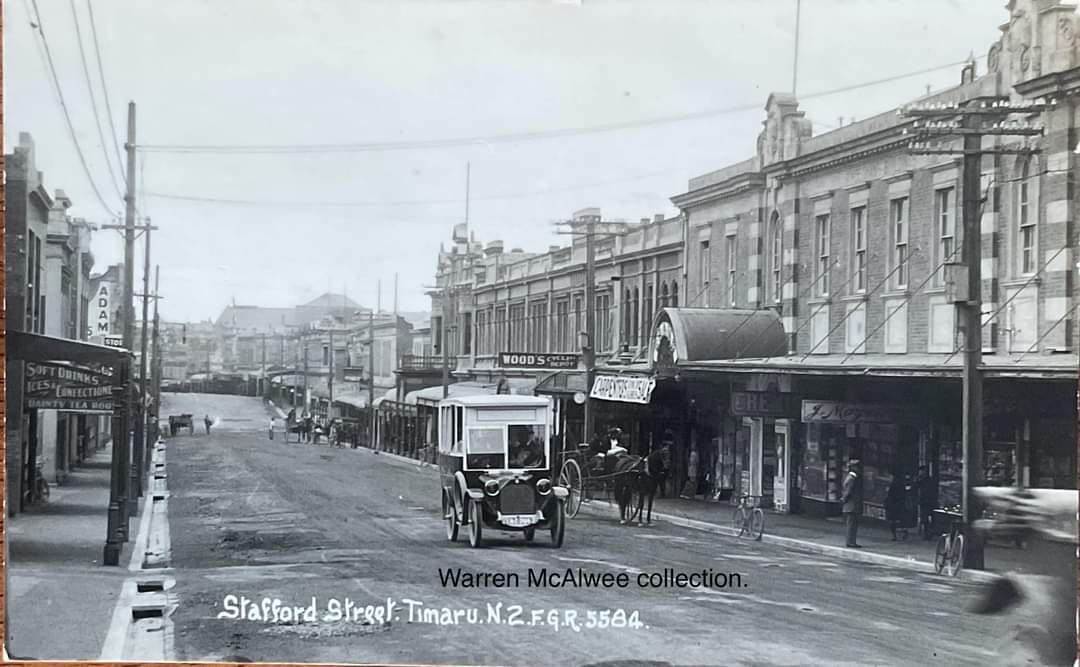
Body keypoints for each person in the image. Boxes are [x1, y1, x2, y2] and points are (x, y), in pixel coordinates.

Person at [841, 458, 863, 548]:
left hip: (851, 505)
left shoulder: (850, 477)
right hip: (852, 505)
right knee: (852, 524)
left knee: (852, 524)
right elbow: (848, 491)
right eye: (857, 467)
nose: (858, 469)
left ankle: (851, 541)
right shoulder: (852, 478)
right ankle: (851, 542)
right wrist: (844, 499)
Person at [914, 465, 938, 540]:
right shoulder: (920, 480)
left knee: (930, 517)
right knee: (924, 518)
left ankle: (930, 533)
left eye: (922, 471)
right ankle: (926, 533)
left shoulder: (929, 480)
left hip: (930, 501)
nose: (921, 472)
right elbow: (915, 487)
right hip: (923, 501)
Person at [884, 471, 908, 540]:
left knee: (894, 521)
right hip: (895, 505)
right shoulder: (896, 485)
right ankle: (899, 533)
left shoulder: (894, 486)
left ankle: (897, 534)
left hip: (894, 505)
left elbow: (891, 496)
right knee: (895, 521)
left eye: (890, 477)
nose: (889, 478)